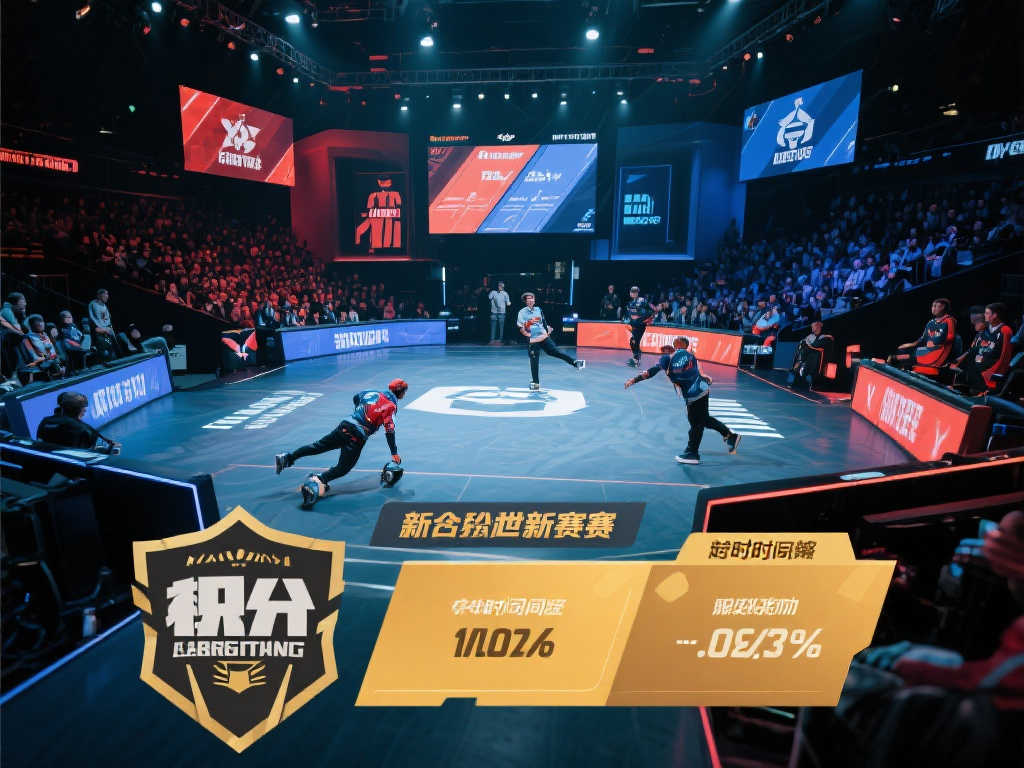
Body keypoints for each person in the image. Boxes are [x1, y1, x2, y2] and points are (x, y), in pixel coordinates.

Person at [274, 379, 409, 509]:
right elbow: (389, 431)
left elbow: (356, 397)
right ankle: (316, 482)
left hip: (345, 425)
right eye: (404, 391)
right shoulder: (391, 406)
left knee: (317, 447)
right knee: (343, 468)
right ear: (401, 392)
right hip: (357, 436)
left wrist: (359, 412)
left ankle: (288, 457)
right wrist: (394, 453)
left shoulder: (373, 393)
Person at [624, 337, 741, 464]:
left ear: (675, 347)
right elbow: (699, 368)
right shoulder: (690, 355)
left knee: (696, 424)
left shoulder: (667, 359)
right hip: (703, 389)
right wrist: (704, 376)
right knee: (704, 419)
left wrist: (634, 380)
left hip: (694, 395)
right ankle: (730, 436)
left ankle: (692, 453)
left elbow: (650, 372)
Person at [517, 292, 584, 391]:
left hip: (543, 336)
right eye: (528, 299)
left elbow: (543, 322)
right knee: (534, 360)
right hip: (533, 338)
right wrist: (529, 327)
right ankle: (536, 383)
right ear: (525, 301)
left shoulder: (538, 310)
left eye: (532, 298)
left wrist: (547, 329)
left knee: (555, 351)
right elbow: (521, 327)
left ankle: (574, 362)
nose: (531, 300)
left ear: (534, 300)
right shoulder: (522, 312)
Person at [952, 303, 1015, 394]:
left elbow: (1004, 357)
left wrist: (989, 374)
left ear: (995, 315)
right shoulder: (983, 332)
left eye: (986, 313)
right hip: (976, 374)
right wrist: (958, 363)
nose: (984, 315)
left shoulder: (1005, 330)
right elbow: (972, 351)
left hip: (988, 376)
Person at [36, 391, 121, 453]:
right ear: (76, 410)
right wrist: (113, 447)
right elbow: (109, 449)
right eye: (83, 407)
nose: (85, 410)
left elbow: (39, 444)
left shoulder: (45, 422)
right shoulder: (82, 428)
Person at [889, 298, 957, 371]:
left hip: (936, 354)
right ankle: (899, 365)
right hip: (926, 351)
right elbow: (923, 338)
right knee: (901, 350)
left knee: (899, 359)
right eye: (932, 306)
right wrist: (910, 344)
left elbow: (951, 337)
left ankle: (904, 368)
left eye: (935, 306)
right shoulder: (930, 323)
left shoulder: (949, 320)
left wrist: (936, 343)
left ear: (942, 307)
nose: (933, 309)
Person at [788, 320, 834, 389]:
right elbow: (803, 342)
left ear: (818, 326)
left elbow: (815, 345)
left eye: (813, 326)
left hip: (818, 357)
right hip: (808, 356)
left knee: (805, 351)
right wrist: (806, 343)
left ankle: (798, 366)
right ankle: (797, 369)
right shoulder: (811, 335)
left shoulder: (825, 337)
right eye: (812, 326)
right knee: (802, 349)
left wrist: (807, 344)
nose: (812, 328)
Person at [623, 285, 660, 367]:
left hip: (640, 325)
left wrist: (649, 320)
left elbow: (654, 310)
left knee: (634, 341)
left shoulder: (642, 300)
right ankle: (636, 357)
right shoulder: (630, 303)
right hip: (633, 325)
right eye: (632, 292)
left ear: (637, 293)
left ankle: (636, 360)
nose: (633, 293)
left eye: (635, 292)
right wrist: (628, 321)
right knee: (633, 342)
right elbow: (629, 314)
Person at [21, 314, 66, 380]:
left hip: (52, 364)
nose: (40, 324)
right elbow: (33, 356)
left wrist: (59, 364)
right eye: (37, 322)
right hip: (40, 368)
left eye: (41, 321)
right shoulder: (26, 339)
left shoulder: (45, 336)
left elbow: (52, 353)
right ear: (31, 325)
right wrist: (46, 359)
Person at [88, 288, 117, 361]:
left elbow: (106, 319)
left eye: (107, 294)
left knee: (112, 351)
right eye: (105, 294)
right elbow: (94, 320)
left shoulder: (104, 306)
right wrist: (103, 329)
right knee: (105, 352)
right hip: (100, 333)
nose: (107, 296)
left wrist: (109, 328)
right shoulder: (93, 304)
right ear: (100, 295)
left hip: (107, 332)